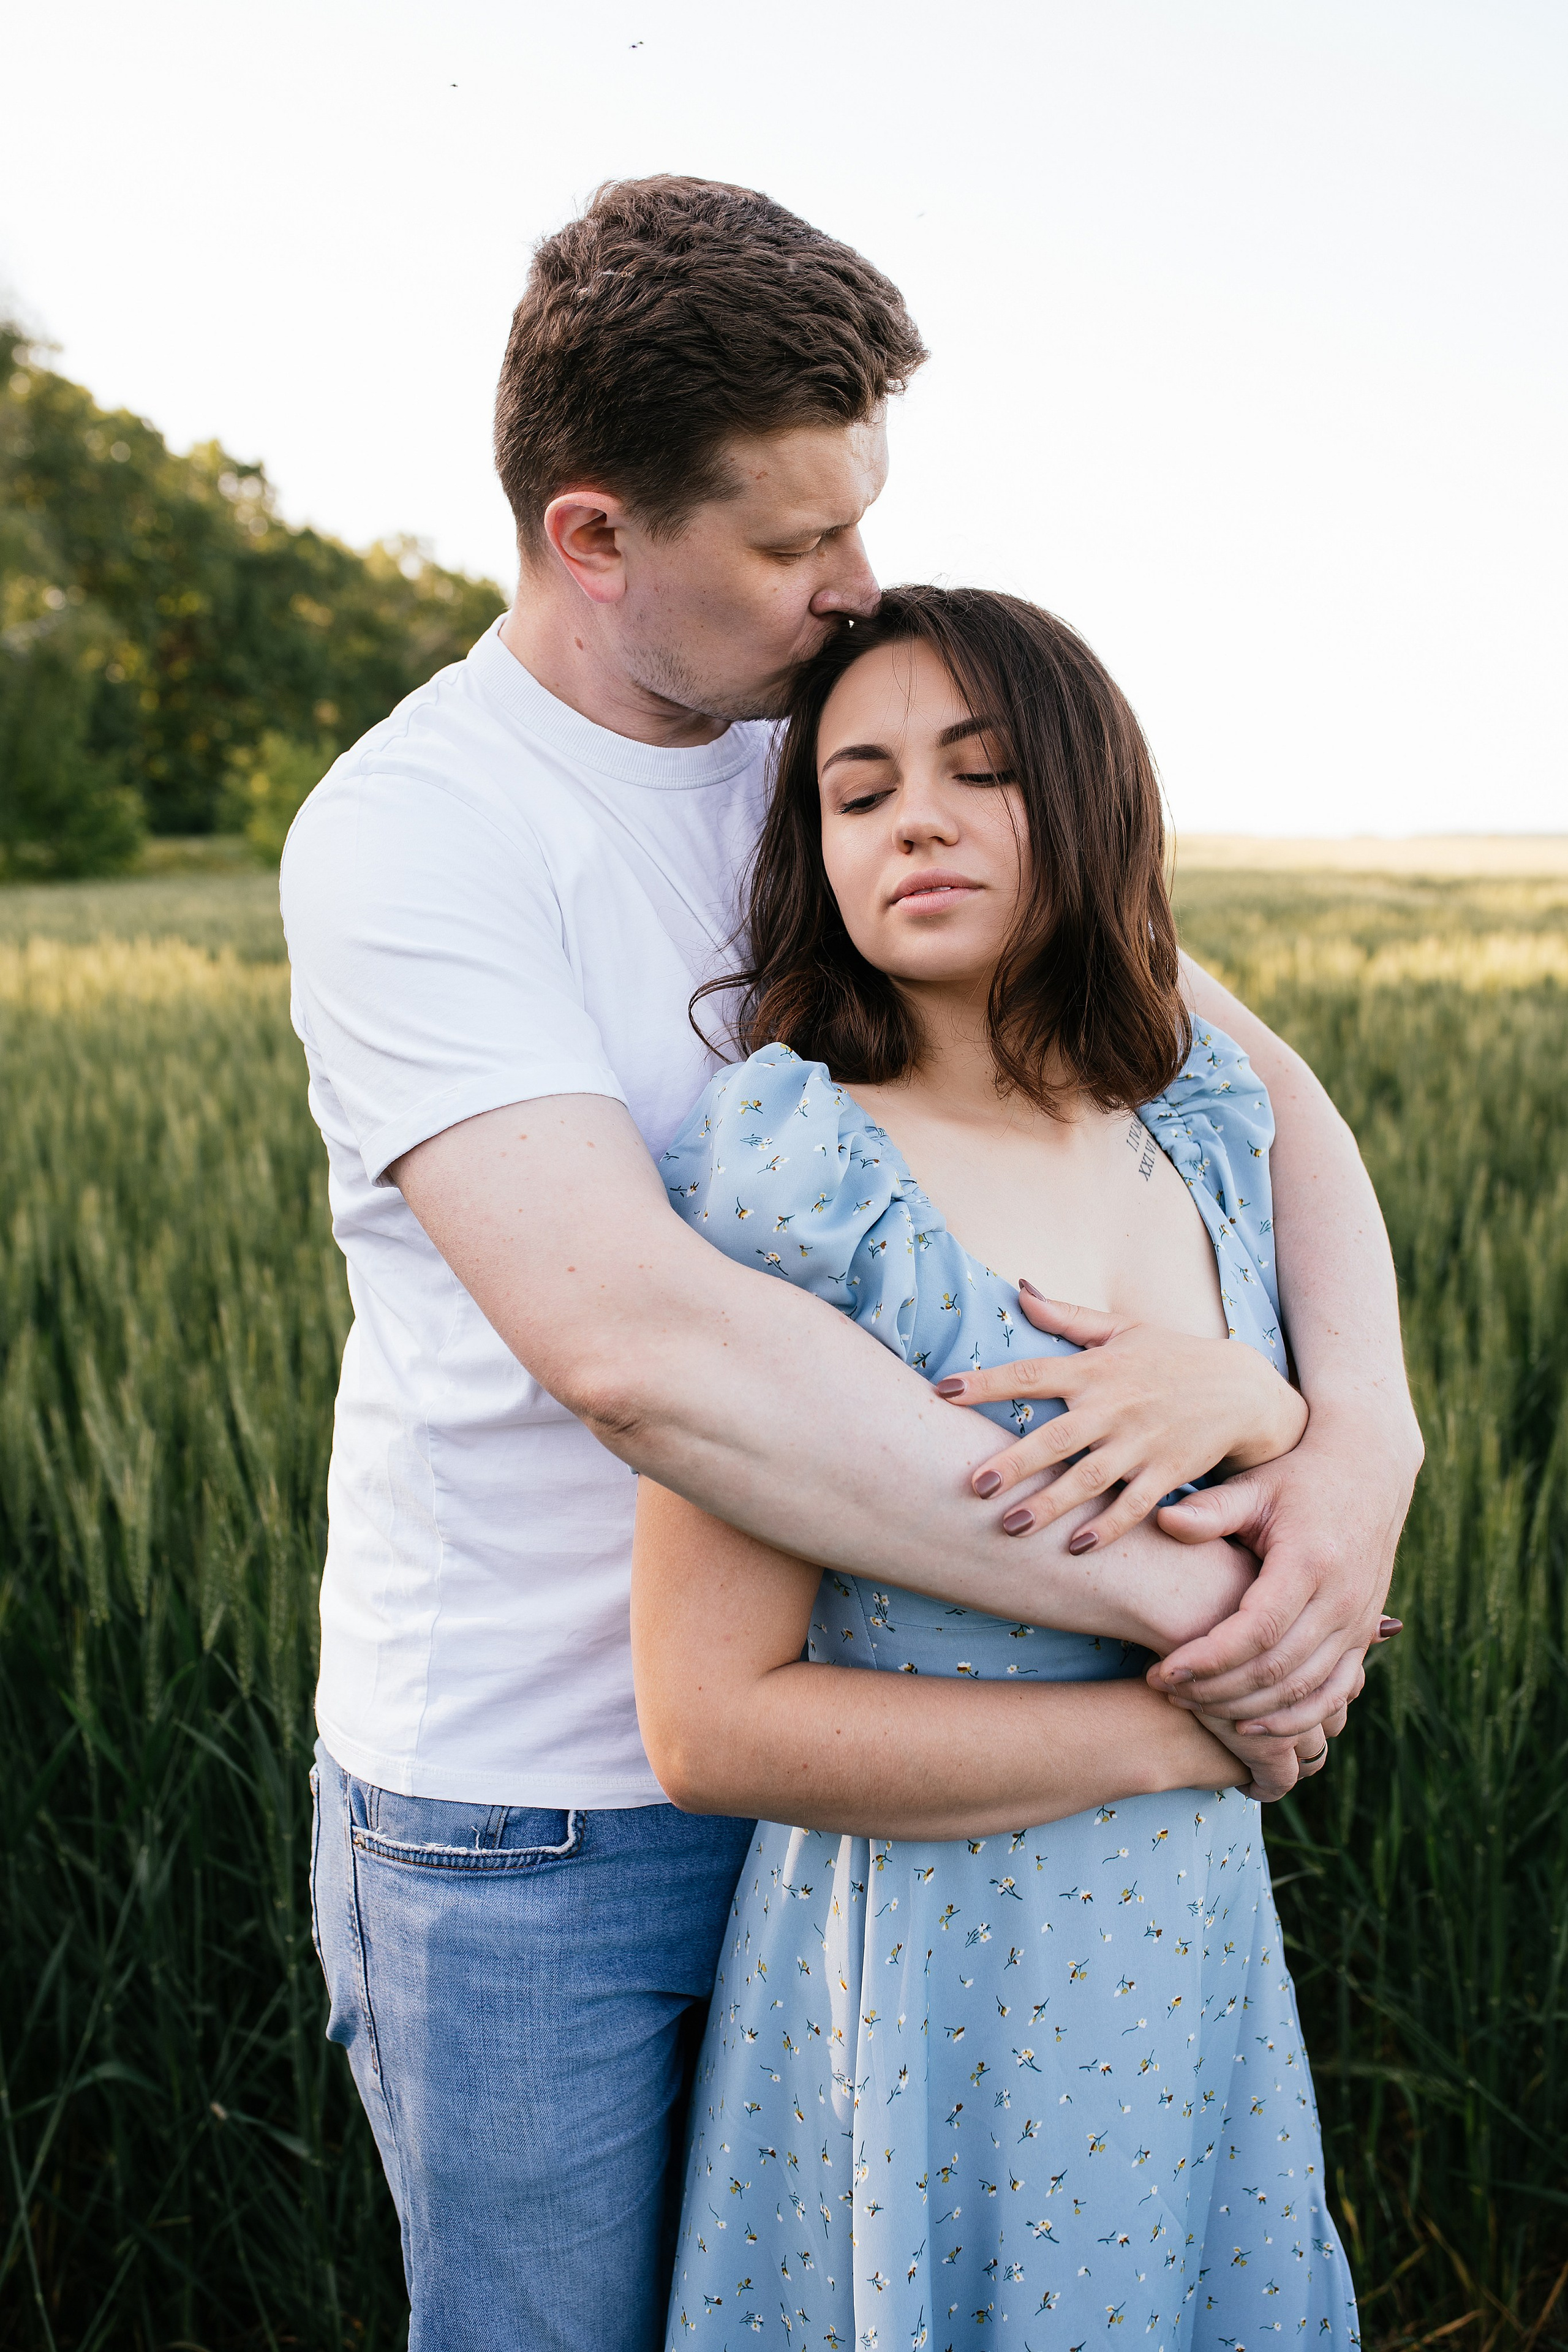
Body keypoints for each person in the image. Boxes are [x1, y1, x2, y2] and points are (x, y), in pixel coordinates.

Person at [283, 178, 1419, 2351]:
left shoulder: (830, 745)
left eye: (863, 523)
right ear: (595, 535)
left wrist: (1347, 1438)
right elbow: (640, 1349)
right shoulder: (423, 834)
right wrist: (1208, 1631)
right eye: (796, 542)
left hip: (914, 1798)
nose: (854, 588)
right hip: (538, 1825)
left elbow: (1241, 1082)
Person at [636, 585, 1363, 2348]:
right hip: (933, 1982)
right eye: (862, 791)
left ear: (1094, 799)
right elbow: (710, 1722)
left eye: (984, 772)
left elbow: (1304, 1456)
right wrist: (1174, 1737)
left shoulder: (1200, 1128)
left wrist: (1262, 1414)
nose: (921, 822)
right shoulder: (804, 1173)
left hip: (1192, 1953)